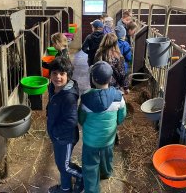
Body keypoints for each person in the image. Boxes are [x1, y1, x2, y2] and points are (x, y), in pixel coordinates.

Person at [79, 61, 127, 193]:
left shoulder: (85, 99)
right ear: (111, 79)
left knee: (89, 165)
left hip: (90, 141)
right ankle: (106, 173)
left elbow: (81, 118)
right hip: (108, 139)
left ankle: (92, 189)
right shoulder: (118, 97)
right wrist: (116, 123)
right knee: (107, 156)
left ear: (93, 79)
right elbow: (122, 115)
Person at [47, 57, 83, 193]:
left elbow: (71, 121)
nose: (58, 77)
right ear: (50, 74)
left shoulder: (68, 96)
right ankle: (66, 188)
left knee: (65, 166)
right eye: (54, 73)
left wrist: (55, 131)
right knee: (61, 164)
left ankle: (83, 176)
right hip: (57, 136)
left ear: (68, 76)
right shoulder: (53, 88)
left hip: (65, 137)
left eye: (62, 74)